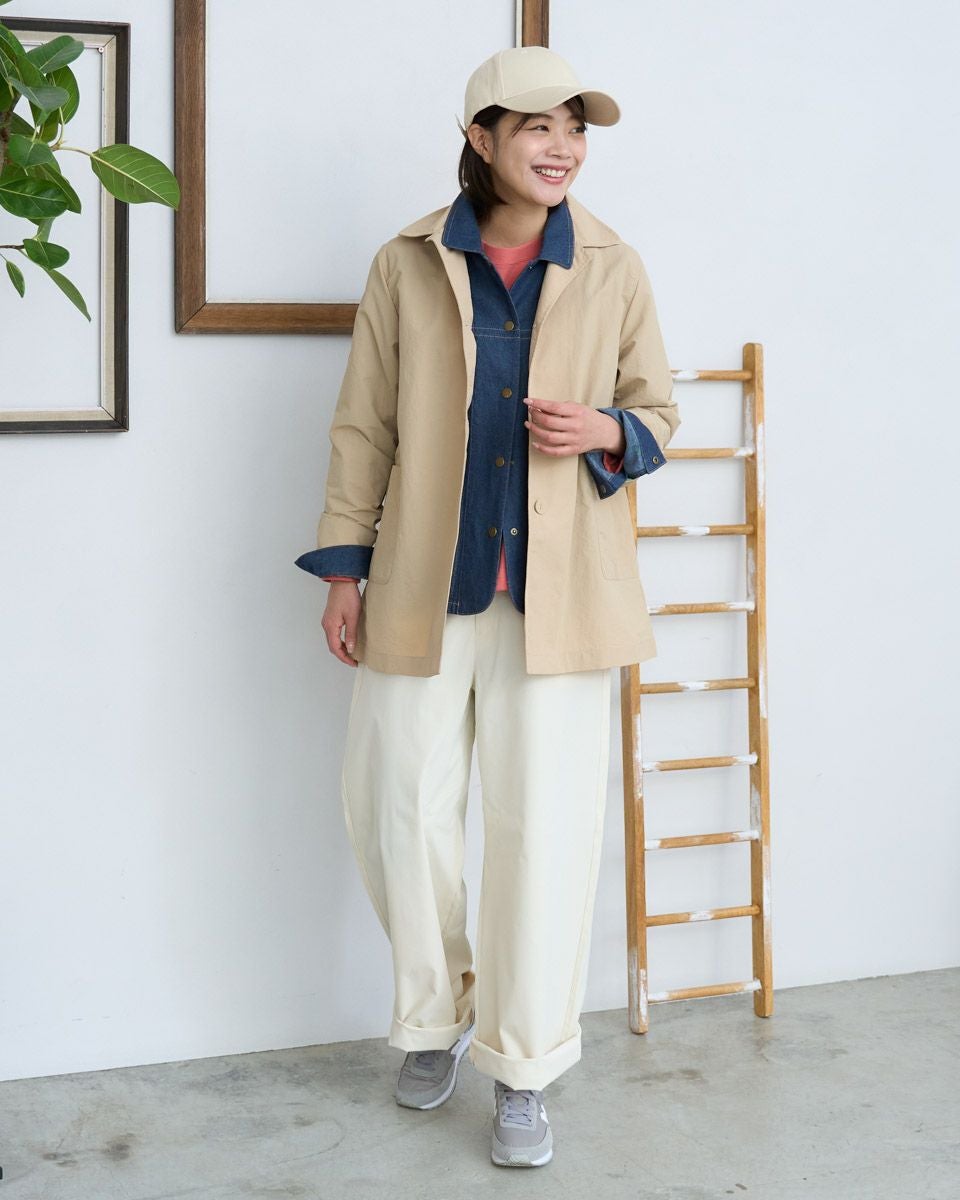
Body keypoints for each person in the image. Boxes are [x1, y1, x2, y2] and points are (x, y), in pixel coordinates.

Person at [295, 45, 680, 1168]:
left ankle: (524, 1066)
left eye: (576, 129)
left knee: (542, 836)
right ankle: (435, 1018)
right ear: (481, 138)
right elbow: (364, 423)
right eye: (538, 127)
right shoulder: (407, 262)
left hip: (562, 599)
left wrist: (608, 430)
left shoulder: (614, 266)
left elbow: (658, 408)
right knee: (395, 811)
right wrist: (345, 571)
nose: (563, 148)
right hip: (426, 579)